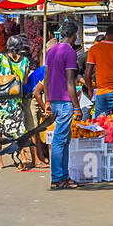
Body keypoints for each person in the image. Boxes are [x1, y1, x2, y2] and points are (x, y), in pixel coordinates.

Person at [0, 35, 32, 170]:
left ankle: (0, 161)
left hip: (2, 101)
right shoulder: (25, 61)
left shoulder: (1, 59)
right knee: (18, 129)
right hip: (17, 100)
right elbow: (25, 81)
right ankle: (22, 156)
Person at [46, 18, 81, 190]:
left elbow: (46, 79)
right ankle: (57, 177)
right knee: (60, 141)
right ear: (74, 35)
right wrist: (77, 106)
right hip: (65, 101)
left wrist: (47, 99)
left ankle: (64, 176)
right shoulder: (70, 52)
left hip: (54, 99)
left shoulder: (51, 51)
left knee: (64, 140)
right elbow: (70, 82)